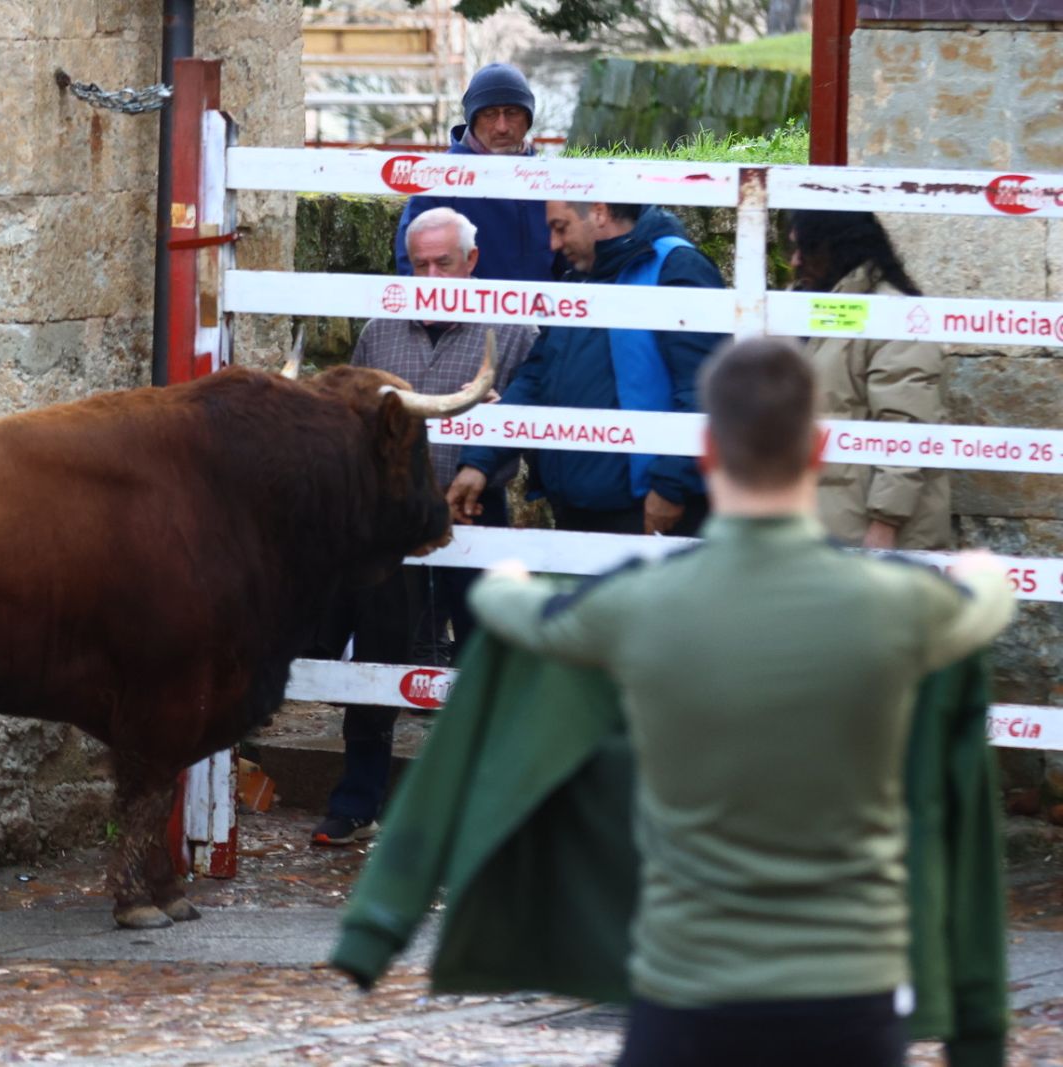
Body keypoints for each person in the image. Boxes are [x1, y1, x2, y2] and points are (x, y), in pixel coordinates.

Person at [464, 337, 1014, 1067]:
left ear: (708, 455)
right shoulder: (902, 605)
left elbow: (520, 611)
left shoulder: (642, 601)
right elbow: (987, 597)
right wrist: (982, 575)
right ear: (817, 452)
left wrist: (503, 574)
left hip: (690, 993)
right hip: (849, 994)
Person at [310, 206, 538, 848]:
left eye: (444, 261)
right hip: (393, 519)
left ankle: (483, 805)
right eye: (419, 263)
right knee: (377, 657)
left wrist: (489, 448)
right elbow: (353, 425)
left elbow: (535, 411)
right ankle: (357, 802)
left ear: (473, 260)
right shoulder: (380, 330)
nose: (431, 274)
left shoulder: (514, 328)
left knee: (480, 652)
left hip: (474, 511)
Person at [447, 200, 725, 536]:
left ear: (599, 212)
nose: (553, 245)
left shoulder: (675, 269)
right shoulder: (577, 280)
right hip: (577, 514)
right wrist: (480, 459)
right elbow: (535, 380)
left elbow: (706, 392)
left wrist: (670, 487)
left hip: (649, 514)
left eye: (560, 227)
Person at [787, 209, 950, 549]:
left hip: (868, 528)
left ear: (837, 248)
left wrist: (885, 522)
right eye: (793, 249)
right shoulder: (806, 308)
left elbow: (906, 426)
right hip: (826, 523)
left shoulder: (892, 317)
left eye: (806, 249)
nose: (796, 262)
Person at [393, 63, 556, 284]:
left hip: (544, 311)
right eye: (490, 114)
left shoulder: (550, 179)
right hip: (467, 315)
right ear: (472, 119)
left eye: (512, 113)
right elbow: (411, 259)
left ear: (527, 118)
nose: (502, 126)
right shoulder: (441, 178)